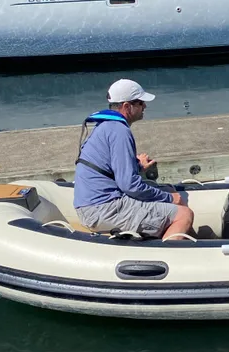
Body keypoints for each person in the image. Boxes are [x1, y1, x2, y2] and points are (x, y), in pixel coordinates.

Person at [73, 79, 194, 240]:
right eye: (140, 102)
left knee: (168, 189)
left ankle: (185, 239)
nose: (144, 106)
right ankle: (168, 258)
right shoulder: (120, 131)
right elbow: (129, 185)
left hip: (92, 205)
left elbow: (112, 170)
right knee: (183, 214)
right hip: (103, 209)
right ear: (127, 106)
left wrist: (137, 166)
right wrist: (170, 198)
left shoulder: (105, 126)